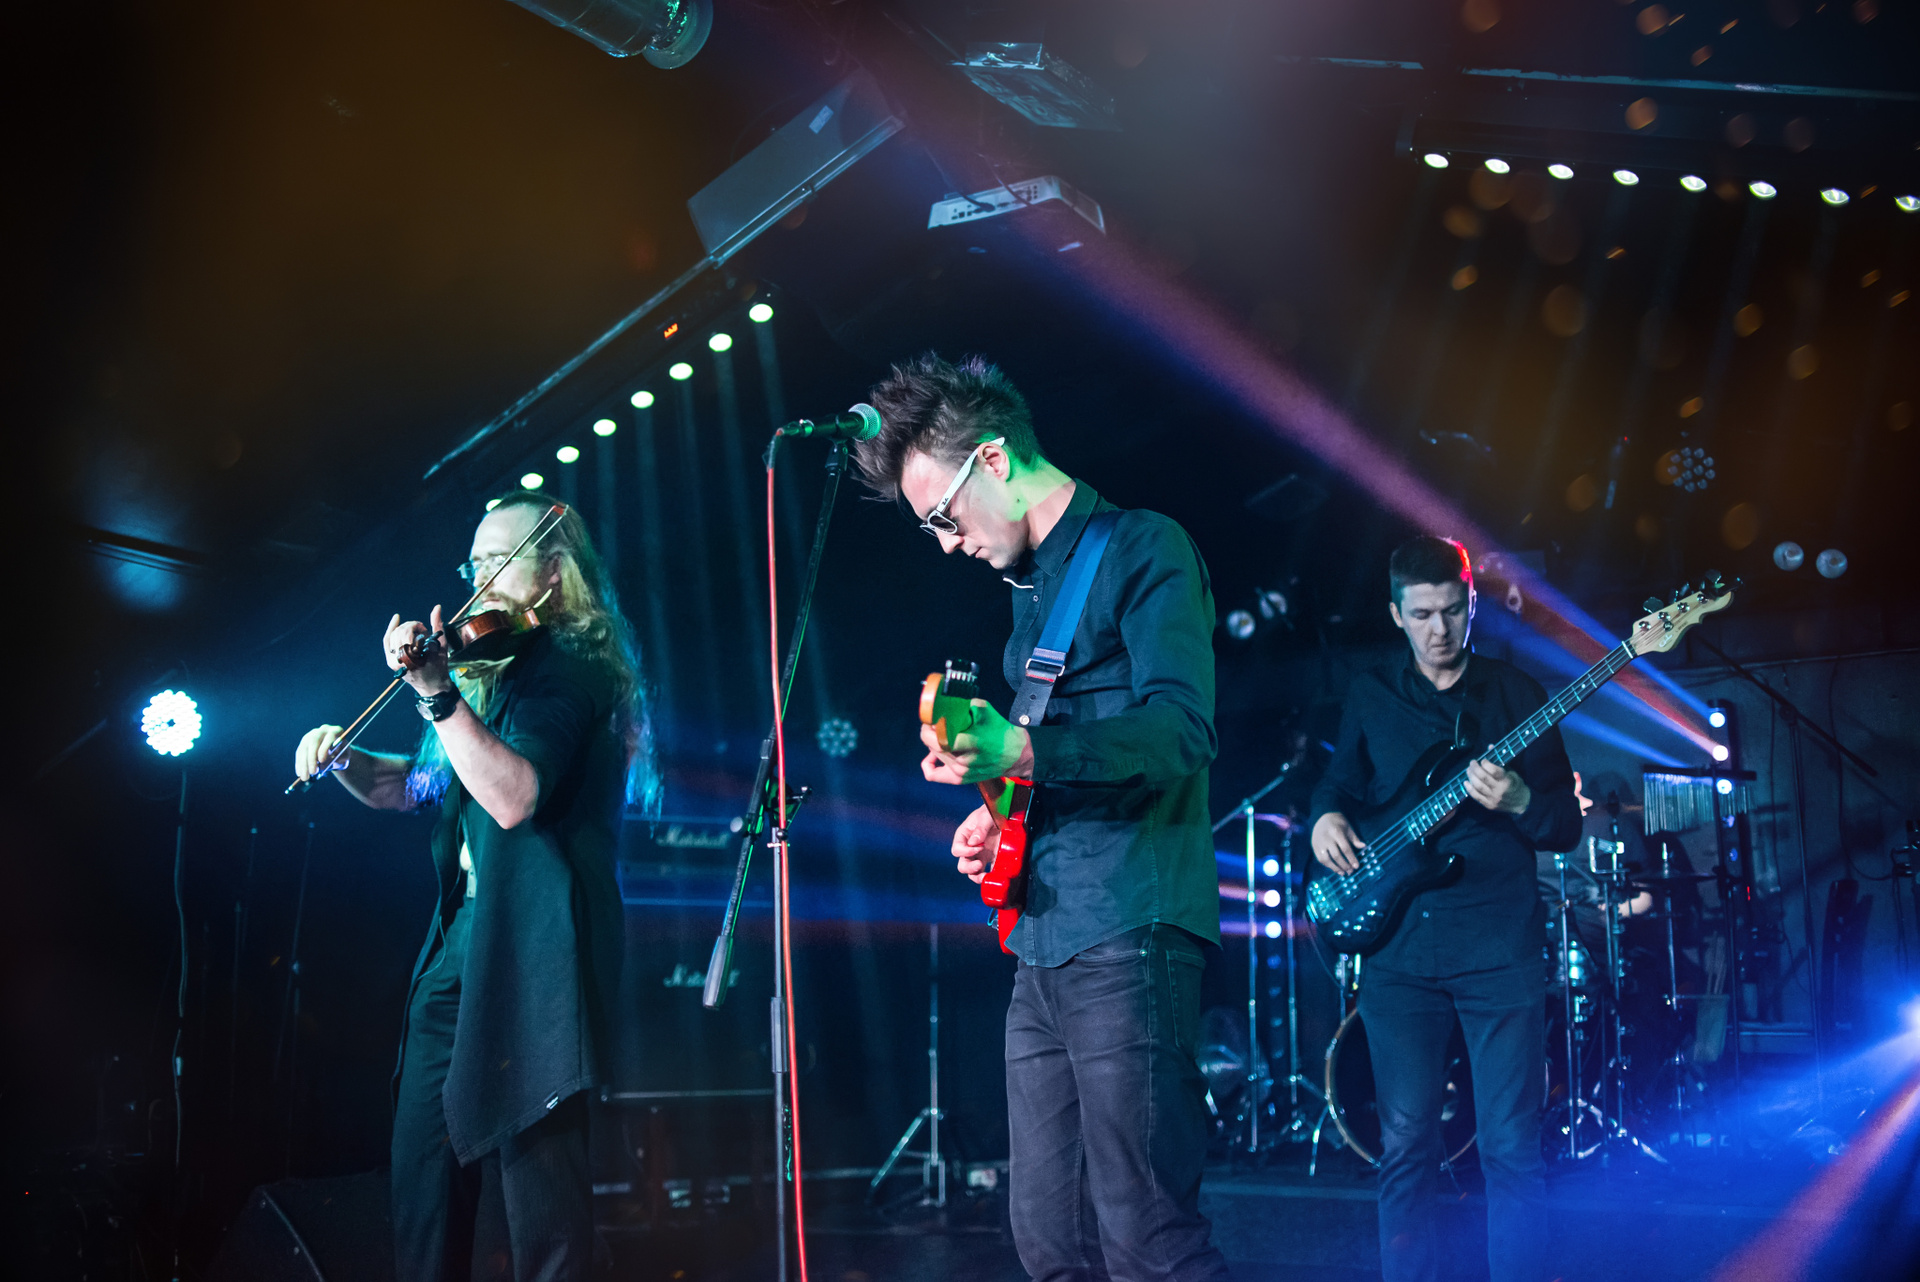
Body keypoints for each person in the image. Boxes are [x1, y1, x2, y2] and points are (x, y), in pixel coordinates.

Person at [854, 353, 1230, 1282]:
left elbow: (1182, 730)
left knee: (1149, 1238)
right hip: (1041, 945)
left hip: (1132, 929)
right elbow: (1053, 757)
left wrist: (1022, 752)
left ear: (993, 458)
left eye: (944, 518)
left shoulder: (1143, 547)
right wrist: (1000, 811)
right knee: (1045, 1239)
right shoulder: (1029, 598)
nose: (946, 545)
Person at [292, 493, 653, 1282]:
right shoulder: (491, 669)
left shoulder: (574, 665)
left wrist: (437, 694)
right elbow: (416, 787)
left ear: (552, 574)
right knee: (421, 1168)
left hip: (541, 947)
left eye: (499, 561)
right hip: (465, 939)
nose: (478, 581)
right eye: (474, 563)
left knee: (540, 1191)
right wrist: (346, 758)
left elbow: (514, 795)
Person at [1309, 536, 1581, 1282]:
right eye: (1423, 614)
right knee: (1405, 1149)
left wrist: (1521, 800)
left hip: (1499, 949)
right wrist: (1324, 818)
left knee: (1512, 1150)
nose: (1439, 629)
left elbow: (1564, 824)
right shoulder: (1371, 692)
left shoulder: (1517, 696)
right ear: (1396, 614)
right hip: (1401, 953)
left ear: (1473, 605)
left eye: (1453, 611)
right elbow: (1337, 784)